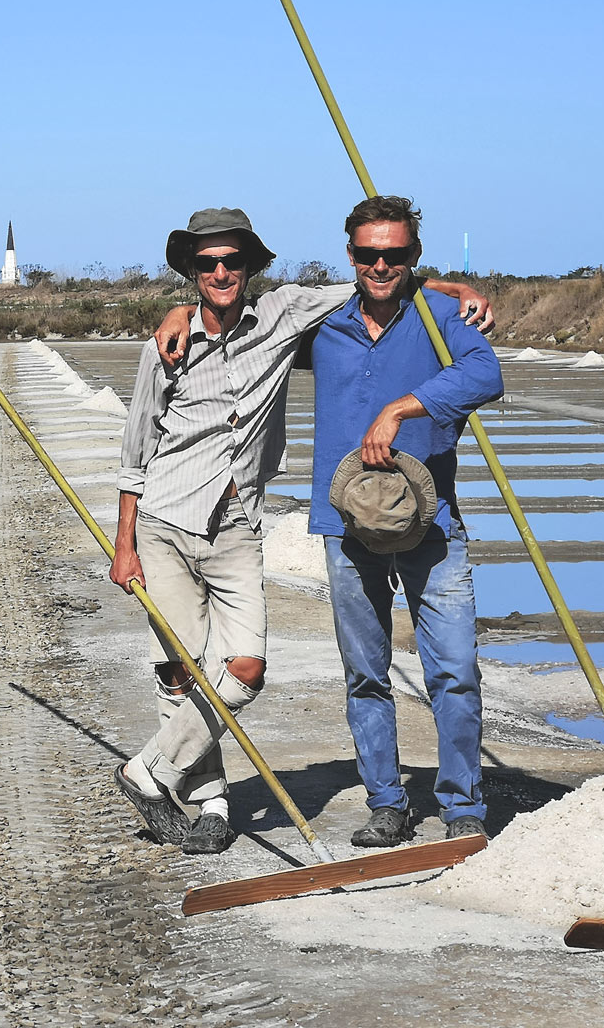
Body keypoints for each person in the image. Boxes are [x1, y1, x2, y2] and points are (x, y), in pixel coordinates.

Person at [111, 207, 490, 854]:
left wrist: (449, 293)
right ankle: (219, 800)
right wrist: (124, 542)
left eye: (233, 260)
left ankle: (150, 768)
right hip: (225, 520)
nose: (222, 271)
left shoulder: (330, 315)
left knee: (259, 670)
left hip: (318, 521)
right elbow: (138, 442)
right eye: (207, 263)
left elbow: (443, 338)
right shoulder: (200, 341)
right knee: (193, 670)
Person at [310, 195, 503, 847]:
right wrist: (174, 308)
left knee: (452, 670)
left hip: (432, 524)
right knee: (366, 675)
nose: (382, 264)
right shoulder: (325, 324)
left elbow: (486, 372)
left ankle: (462, 806)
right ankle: (387, 803)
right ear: (351, 256)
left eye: (396, 254)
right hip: (346, 527)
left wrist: (403, 407)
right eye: (370, 254)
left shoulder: (439, 314)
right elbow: (238, 325)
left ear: (414, 256)